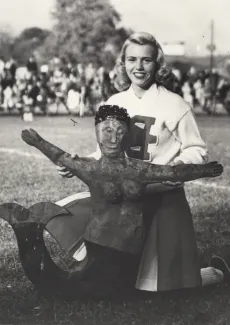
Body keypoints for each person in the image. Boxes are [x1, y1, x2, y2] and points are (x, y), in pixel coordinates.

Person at [57, 32, 229, 292]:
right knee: (120, 280)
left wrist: (176, 169)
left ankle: (216, 272)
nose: (139, 67)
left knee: (163, 286)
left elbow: (197, 149)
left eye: (146, 60)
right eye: (132, 59)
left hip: (161, 200)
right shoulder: (115, 102)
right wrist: (78, 162)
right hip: (122, 203)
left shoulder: (174, 104)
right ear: (123, 63)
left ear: (157, 64)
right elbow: (104, 154)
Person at [22, 104, 223, 293]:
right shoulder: (91, 169)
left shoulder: (139, 169)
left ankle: (215, 273)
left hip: (130, 251)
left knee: (127, 290)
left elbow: (173, 173)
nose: (113, 138)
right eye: (107, 131)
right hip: (98, 246)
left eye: (119, 131)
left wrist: (203, 170)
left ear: (127, 135)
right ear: (97, 134)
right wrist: (37, 141)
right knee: (87, 289)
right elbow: (60, 156)